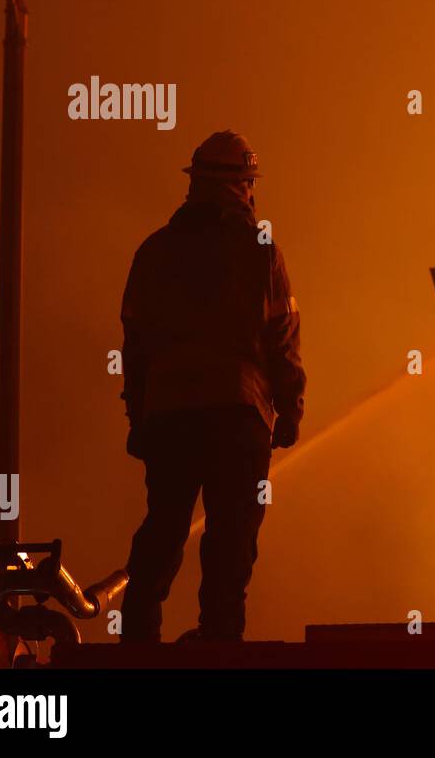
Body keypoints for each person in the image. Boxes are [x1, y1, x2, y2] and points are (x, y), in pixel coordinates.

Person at [118, 131, 306, 642]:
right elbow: (281, 335)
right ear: (242, 186)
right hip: (237, 413)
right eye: (250, 183)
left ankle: (138, 630)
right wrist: (290, 408)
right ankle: (220, 637)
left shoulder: (154, 251)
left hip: (170, 414)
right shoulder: (259, 248)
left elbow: (134, 347)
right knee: (232, 531)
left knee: (165, 523)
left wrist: (139, 418)